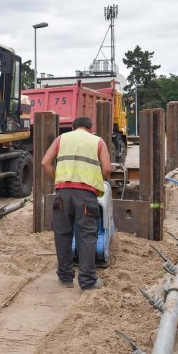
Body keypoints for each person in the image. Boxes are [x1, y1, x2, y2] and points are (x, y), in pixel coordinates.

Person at [41, 116, 112, 291]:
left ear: (73, 128)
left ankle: (65, 278)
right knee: (87, 237)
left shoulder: (61, 139)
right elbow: (107, 169)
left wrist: (58, 179)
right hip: (86, 196)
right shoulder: (97, 141)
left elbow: (45, 163)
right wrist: (97, 180)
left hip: (62, 194)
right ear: (90, 128)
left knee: (62, 235)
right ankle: (88, 281)